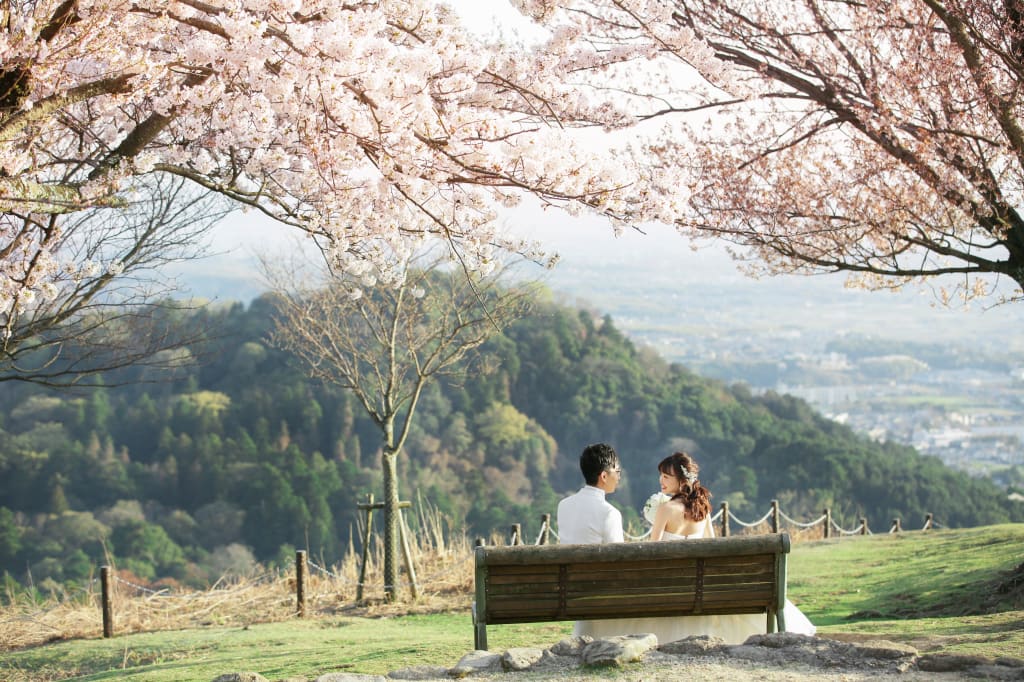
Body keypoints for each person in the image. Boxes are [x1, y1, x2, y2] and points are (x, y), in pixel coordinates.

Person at [584, 451, 816, 645]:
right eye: (661, 476)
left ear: (682, 481)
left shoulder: (666, 510)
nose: (661, 481)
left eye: (666, 476)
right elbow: (713, 547)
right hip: (699, 586)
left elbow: (651, 553)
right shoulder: (702, 510)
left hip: (668, 586)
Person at [556, 442, 625, 545]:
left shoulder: (563, 506)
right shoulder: (609, 514)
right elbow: (620, 556)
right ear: (604, 476)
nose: (619, 477)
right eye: (617, 471)